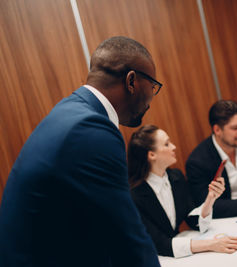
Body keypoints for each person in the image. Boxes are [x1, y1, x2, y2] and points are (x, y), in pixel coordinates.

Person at [0, 36, 161, 267]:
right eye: (153, 86)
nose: (152, 98)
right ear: (132, 81)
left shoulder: (72, 111)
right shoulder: (91, 130)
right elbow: (127, 237)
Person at [128, 125, 237, 258]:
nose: (173, 147)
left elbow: (192, 219)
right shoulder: (134, 195)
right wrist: (211, 245)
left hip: (176, 254)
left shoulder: (176, 177)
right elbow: (159, 244)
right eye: (167, 144)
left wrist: (210, 199)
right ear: (151, 155)